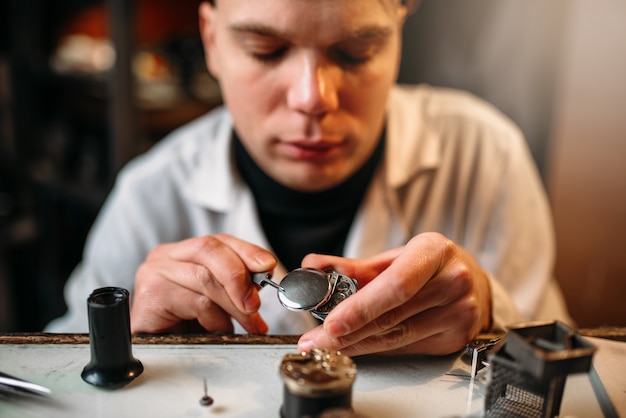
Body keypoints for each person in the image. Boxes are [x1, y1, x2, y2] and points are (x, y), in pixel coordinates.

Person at [46, 0, 571, 356]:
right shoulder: (150, 196)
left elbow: (560, 370)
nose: (312, 97)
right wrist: (133, 347)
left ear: (397, 35)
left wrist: (491, 309)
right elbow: (50, 379)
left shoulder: (484, 155)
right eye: (266, 51)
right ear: (211, 39)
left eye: (355, 52)